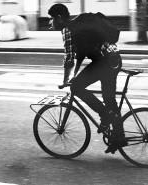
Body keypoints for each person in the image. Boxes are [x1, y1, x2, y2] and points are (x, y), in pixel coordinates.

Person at [48, 3, 126, 154]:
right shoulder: (79, 23)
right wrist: (74, 75)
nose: (50, 22)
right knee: (109, 100)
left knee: (75, 87)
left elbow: (69, 58)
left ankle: (104, 115)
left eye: (51, 19)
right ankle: (119, 136)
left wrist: (66, 81)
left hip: (104, 63)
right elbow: (80, 56)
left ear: (59, 18)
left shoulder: (68, 30)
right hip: (114, 59)